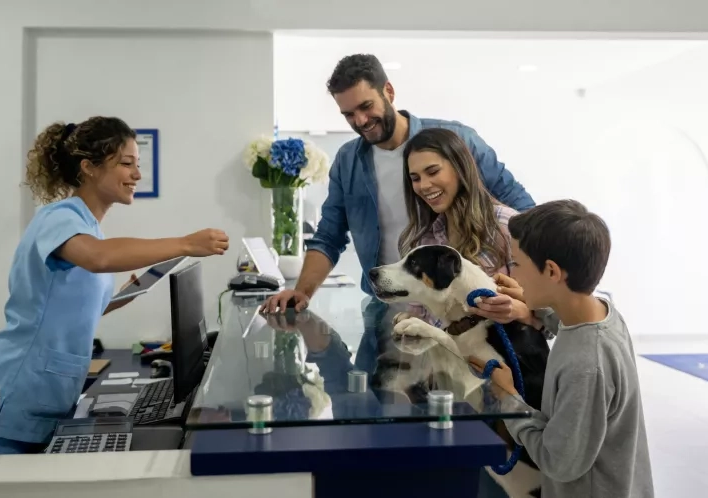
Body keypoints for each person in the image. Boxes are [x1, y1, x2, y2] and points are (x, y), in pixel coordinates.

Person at [0, 116, 230, 455]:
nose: (137, 175)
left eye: (137, 164)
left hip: (46, 395)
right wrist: (185, 244)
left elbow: (74, 302)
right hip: (11, 393)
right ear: (89, 167)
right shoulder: (59, 218)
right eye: (126, 164)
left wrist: (122, 296)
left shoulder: (87, 228)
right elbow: (98, 258)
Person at [261, 53, 534, 313]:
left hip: (464, 306)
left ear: (388, 91)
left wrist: (528, 301)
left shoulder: (456, 139)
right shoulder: (347, 161)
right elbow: (330, 235)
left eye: (366, 106)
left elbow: (523, 212)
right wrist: (303, 292)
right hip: (386, 307)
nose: (360, 121)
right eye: (348, 114)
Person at [487, 199, 654, 498]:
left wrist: (508, 399)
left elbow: (558, 462)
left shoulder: (586, 365)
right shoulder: (602, 312)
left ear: (551, 271)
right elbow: (571, 326)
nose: (514, 275)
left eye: (518, 265)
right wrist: (534, 308)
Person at [399, 127, 542, 331]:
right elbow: (421, 316)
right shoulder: (425, 240)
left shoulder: (506, 225)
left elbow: (549, 316)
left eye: (433, 172)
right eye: (415, 178)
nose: (424, 185)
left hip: (508, 358)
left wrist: (522, 312)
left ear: (460, 167)